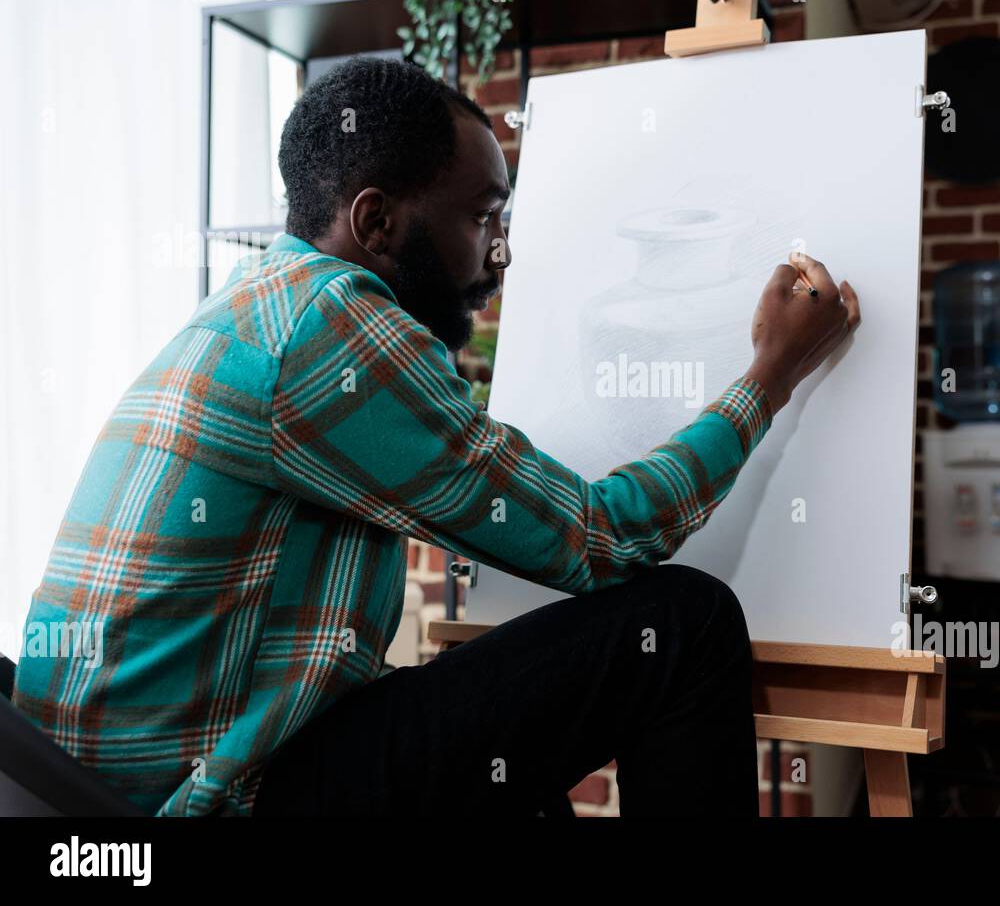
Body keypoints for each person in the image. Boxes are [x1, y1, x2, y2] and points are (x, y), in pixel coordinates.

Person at [13, 56, 859, 816]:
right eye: (484, 218)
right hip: (202, 806)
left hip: (99, 793)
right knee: (685, 622)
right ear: (377, 223)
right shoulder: (330, 325)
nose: (500, 255)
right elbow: (604, 538)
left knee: (510, 777)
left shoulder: (264, 299)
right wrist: (770, 374)